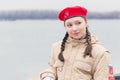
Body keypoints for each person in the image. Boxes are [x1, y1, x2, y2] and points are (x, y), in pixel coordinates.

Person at [40, 5, 114, 80]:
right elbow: (52, 68)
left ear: (86, 23)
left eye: (78, 23)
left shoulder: (100, 53)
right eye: (69, 25)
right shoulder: (56, 47)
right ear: (65, 27)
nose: (74, 28)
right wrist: (48, 76)